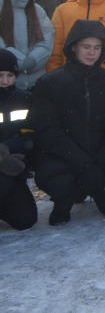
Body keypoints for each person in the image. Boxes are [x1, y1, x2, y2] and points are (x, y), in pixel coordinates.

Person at [31, 20, 105, 226]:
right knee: (60, 183)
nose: (91, 53)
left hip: (100, 157)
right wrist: (83, 164)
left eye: (97, 47)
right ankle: (64, 199)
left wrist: (100, 163)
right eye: (86, 47)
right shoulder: (49, 83)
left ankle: (90, 186)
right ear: (74, 47)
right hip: (63, 158)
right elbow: (48, 131)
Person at [0, 0, 54, 89]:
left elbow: (46, 41)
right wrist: (17, 60)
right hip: (4, 82)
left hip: (34, 82)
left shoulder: (38, 11)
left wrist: (32, 60)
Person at [0, 49, 37, 231]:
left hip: (14, 168)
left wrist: (8, 146)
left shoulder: (25, 99)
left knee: (26, 220)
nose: (5, 81)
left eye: (10, 75)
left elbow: (30, 135)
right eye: (0, 75)